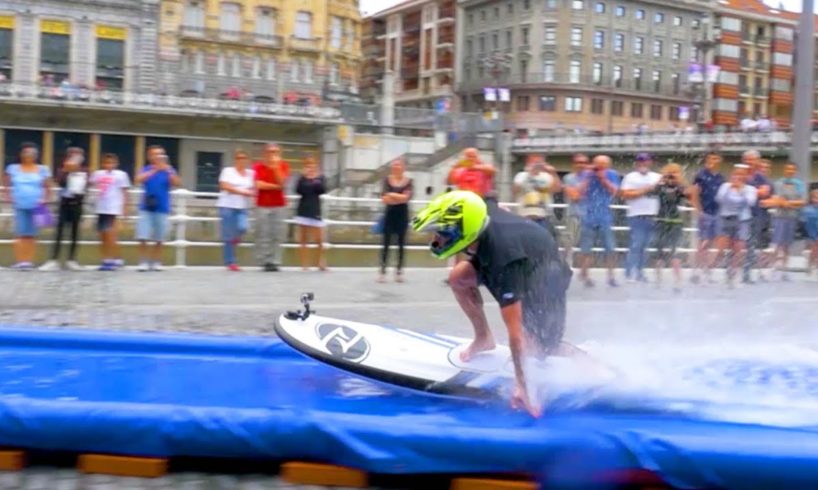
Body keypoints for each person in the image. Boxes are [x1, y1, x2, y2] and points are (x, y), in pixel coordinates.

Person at [411, 190, 574, 417]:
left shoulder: (504, 261)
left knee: (539, 346)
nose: (437, 239)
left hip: (543, 275)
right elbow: (488, 197)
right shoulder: (478, 212)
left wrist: (522, 386)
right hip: (517, 249)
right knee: (458, 278)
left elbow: (514, 334)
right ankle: (484, 338)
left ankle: (597, 367)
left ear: (463, 232)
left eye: (442, 233)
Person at [2, 142, 53, 270]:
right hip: (19, 204)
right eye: (26, 152)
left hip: (36, 205)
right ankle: (20, 260)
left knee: (31, 234)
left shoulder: (42, 169)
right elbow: (5, 182)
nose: (29, 155)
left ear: (36, 155)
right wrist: (8, 195)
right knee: (20, 233)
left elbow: (48, 187)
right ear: (21, 154)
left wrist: (45, 199)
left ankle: (28, 261)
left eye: (32, 153)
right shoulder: (12, 168)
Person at [40, 147, 88, 271]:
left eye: (78, 156)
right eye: (72, 156)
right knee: (59, 232)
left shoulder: (85, 171)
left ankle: (72, 259)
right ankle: (53, 259)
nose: (75, 158)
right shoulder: (62, 170)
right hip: (64, 204)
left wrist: (77, 170)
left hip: (77, 204)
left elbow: (86, 185)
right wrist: (67, 170)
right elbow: (59, 182)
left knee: (75, 233)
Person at [647, 163, 693, 291]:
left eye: (673, 173)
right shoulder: (660, 187)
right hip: (661, 221)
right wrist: (662, 179)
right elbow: (650, 191)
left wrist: (679, 181)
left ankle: (678, 282)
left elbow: (689, 194)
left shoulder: (679, 188)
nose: (670, 177)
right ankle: (658, 280)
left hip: (675, 222)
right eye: (669, 173)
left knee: (675, 253)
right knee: (659, 253)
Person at [135, 146, 180, 271]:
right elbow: (138, 180)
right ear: (149, 157)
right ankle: (143, 261)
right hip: (146, 206)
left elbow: (176, 183)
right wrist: (154, 170)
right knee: (143, 235)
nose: (158, 157)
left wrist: (167, 170)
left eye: (160, 154)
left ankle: (156, 261)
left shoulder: (169, 170)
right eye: (155, 154)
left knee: (160, 237)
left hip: (162, 206)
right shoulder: (145, 169)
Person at [577, 155, 620, 288]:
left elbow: (615, 191)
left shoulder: (612, 174)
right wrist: (589, 177)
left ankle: (611, 276)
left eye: (603, 165)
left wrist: (603, 178)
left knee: (610, 248)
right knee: (586, 249)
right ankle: (585, 276)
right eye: (597, 164)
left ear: (608, 166)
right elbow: (579, 192)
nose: (599, 167)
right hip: (588, 216)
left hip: (605, 216)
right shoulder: (586, 174)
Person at [620, 153, 662, 283]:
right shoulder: (630, 177)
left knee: (646, 246)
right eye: (640, 161)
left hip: (653, 215)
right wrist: (645, 190)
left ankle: (640, 272)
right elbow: (625, 195)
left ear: (650, 162)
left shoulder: (658, 177)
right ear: (636, 163)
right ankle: (629, 273)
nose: (643, 163)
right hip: (636, 215)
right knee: (636, 245)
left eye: (646, 160)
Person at [716, 165, 757, 289]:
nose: (738, 177)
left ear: (746, 176)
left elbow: (750, 202)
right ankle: (717, 269)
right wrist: (733, 190)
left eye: (741, 175)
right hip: (726, 219)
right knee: (723, 247)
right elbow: (720, 199)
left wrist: (740, 190)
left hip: (742, 220)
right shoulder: (725, 186)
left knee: (738, 249)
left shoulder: (750, 189)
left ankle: (733, 275)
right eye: (736, 174)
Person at [89, 153, 131, 271]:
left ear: (116, 164)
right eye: (106, 163)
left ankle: (112, 258)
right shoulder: (97, 174)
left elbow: (125, 192)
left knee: (110, 234)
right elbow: (91, 184)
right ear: (102, 164)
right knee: (102, 235)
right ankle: (106, 258)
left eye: (112, 163)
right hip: (100, 207)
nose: (109, 165)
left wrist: (125, 208)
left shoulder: (121, 175)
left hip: (113, 208)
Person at [253, 143, 290, 272]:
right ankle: (264, 261)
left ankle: (275, 261)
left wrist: (275, 168)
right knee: (263, 233)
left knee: (277, 234)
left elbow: (282, 182)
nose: (272, 154)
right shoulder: (258, 166)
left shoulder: (283, 166)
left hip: (279, 204)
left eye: (275, 152)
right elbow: (259, 185)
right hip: (262, 204)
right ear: (265, 153)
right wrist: (276, 187)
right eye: (270, 151)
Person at [217, 149, 256, 271]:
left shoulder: (251, 173)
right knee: (228, 235)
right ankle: (231, 262)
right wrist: (242, 191)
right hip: (227, 205)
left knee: (243, 227)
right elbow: (224, 186)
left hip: (242, 207)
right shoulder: (228, 171)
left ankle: (235, 239)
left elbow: (256, 187)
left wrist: (253, 193)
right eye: (239, 158)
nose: (241, 160)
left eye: (244, 158)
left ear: (247, 160)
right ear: (235, 160)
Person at [690, 152, 725, 284]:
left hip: (717, 214)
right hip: (705, 213)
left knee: (716, 244)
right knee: (703, 243)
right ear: (707, 160)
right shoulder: (701, 175)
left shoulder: (721, 178)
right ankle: (697, 272)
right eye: (711, 158)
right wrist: (698, 211)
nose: (714, 160)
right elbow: (694, 194)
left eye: (716, 158)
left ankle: (708, 271)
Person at [768, 163, 805, 281]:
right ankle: (772, 268)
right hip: (779, 217)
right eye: (788, 168)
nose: (790, 171)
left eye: (792, 169)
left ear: (795, 171)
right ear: (784, 170)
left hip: (792, 218)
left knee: (787, 245)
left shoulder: (799, 184)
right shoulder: (778, 183)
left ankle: (784, 269)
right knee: (777, 243)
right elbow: (778, 200)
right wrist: (791, 203)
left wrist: (788, 203)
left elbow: (802, 201)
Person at [378, 158, 413, 283]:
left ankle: (399, 272)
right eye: (394, 165)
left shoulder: (409, 181)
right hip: (389, 215)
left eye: (398, 165)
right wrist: (398, 197)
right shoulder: (386, 180)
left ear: (403, 167)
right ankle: (382, 271)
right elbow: (384, 198)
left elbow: (406, 198)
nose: (396, 167)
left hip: (402, 215)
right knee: (385, 243)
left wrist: (392, 195)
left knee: (401, 244)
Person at [512, 154, 562, 239]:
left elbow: (557, 189)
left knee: (544, 242)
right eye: (534, 162)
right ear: (528, 162)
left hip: (543, 217)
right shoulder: (521, 175)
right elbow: (515, 190)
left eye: (539, 162)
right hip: (524, 217)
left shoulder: (547, 176)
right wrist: (530, 174)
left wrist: (553, 173)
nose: (537, 165)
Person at [742, 151, 772, 283]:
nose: (749, 162)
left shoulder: (761, 177)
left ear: (757, 162)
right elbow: (735, 191)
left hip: (756, 215)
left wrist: (748, 191)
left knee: (751, 244)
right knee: (737, 243)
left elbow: (765, 192)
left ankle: (746, 274)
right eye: (747, 159)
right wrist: (755, 191)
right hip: (740, 215)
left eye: (752, 160)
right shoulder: (740, 174)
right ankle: (732, 272)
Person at [294, 156, 328, 271]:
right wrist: (304, 177)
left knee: (319, 239)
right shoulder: (302, 178)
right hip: (303, 209)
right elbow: (298, 190)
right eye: (308, 165)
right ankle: (304, 265)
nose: (311, 167)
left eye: (313, 164)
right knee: (303, 238)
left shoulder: (320, 177)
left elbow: (322, 190)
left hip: (315, 210)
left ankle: (320, 262)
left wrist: (314, 179)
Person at [561, 154, 590, 264]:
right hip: (573, 215)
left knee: (587, 244)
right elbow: (575, 197)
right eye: (578, 162)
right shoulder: (568, 178)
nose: (581, 165)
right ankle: (565, 266)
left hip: (588, 216)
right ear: (574, 164)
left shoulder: (593, 177)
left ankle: (584, 272)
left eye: (583, 163)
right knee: (568, 243)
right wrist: (586, 181)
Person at [801, 189, 818, 275]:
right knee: (814, 248)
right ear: (811, 198)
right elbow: (806, 222)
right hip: (812, 231)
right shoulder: (808, 209)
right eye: (815, 197)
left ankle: (812, 264)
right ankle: (811, 264)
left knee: (815, 249)